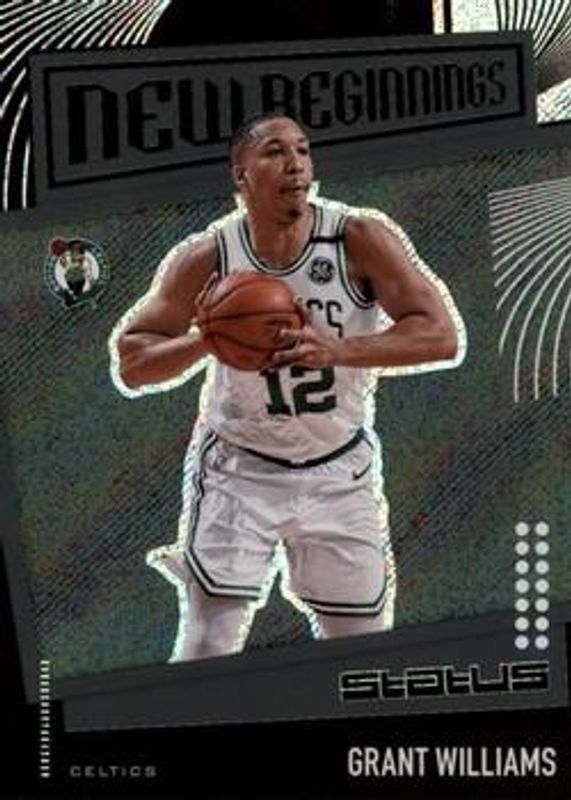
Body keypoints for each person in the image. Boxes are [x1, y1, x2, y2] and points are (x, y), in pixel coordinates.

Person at [111, 113, 465, 662]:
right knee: (207, 645)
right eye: (275, 152)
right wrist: (205, 341)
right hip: (239, 469)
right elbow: (133, 362)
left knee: (363, 653)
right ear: (241, 175)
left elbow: (441, 336)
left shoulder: (358, 238)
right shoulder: (209, 255)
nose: (295, 163)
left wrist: (338, 350)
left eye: (302, 150)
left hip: (339, 469)